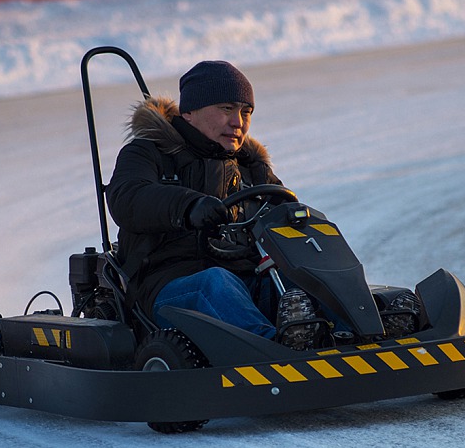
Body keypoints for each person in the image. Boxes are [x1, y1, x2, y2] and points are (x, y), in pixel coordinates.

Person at [105, 60, 312, 345]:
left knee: (305, 276)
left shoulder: (251, 167)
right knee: (215, 282)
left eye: (246, 112)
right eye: (226, 109)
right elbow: (127, 198)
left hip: (246, 282)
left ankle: (359, 335)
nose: (238, 122)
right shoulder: (148, 152)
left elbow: (284, 212)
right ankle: (275, 353)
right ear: (189, 112)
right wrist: (188, 206)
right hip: (168, 287)